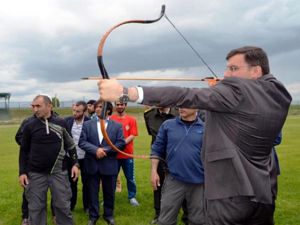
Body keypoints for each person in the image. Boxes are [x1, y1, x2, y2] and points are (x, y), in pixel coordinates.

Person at [98, 46, 292, 224]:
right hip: (264, 191)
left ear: (256, 71)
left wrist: (126, 92)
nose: (226, 74)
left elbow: (186, 95)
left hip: (230, 194)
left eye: (233, 69)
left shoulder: (237, 92)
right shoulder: (277, 93)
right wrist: (221, 91)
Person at [18, 94, 79, 225]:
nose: (35, 109)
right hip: (35, 174)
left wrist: (75, 164)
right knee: (36, 208)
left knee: (62, 206)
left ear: (49, 106)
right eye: (33, 106)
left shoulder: (61, 123)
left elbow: (71, 145)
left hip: (59, 173)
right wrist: (22, 172)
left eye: (38, 106)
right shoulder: (29, 125)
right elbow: (23, 150)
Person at [151, 107, 205, 225]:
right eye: (180, 105)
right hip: (173, 180)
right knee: (165, 221)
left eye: (186, 105)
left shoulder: (205, 128)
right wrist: (154, 171)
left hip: (199, 183)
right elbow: (156, 149)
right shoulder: (168, 125)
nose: (181, 108)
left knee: (198, 221)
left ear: (196, 106)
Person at [78, 100, 126, 225]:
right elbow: (82, 142)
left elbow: (121, 143)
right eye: (97, 107)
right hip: (92, 164)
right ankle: (93, 216)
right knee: (92, 192)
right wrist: (96, 150)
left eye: (101, 107)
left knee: (109, 192)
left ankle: (108, 215)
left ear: (108, 110)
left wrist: (104, 150)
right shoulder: (88, 124)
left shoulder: (116, 126)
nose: (98, 109)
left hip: (109, 164)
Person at [144, 107, 189, 224]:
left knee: (183, 184)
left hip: (176, 157)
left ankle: (187, 215)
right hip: (159, 157)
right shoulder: (148, 115)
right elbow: (152, 134)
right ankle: (158, 214)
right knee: (158, 185)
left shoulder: (179, 113)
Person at [110, 101, 140, 206]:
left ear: (125, 106)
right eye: (117, 104)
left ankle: (132, 197)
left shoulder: (131, 120)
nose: (119, 106)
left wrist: (120, 144)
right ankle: (109, 197)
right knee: (111, 177)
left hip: (127, 154)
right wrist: (115, 147)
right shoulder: (111, 119)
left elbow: (132, 135)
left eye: (121, 104)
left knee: (130, 177)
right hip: (114, 155)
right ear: (115, 106)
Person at [65, 101, 90, 213]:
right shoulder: (67, 121)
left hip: (86, 158)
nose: (75, 113)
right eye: (73, 110)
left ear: (84, 112)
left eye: (78, 111)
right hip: (70, 158)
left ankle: (87, 207)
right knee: (71, 183)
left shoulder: (90, 122)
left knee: (87, 183)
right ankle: (71, 205)